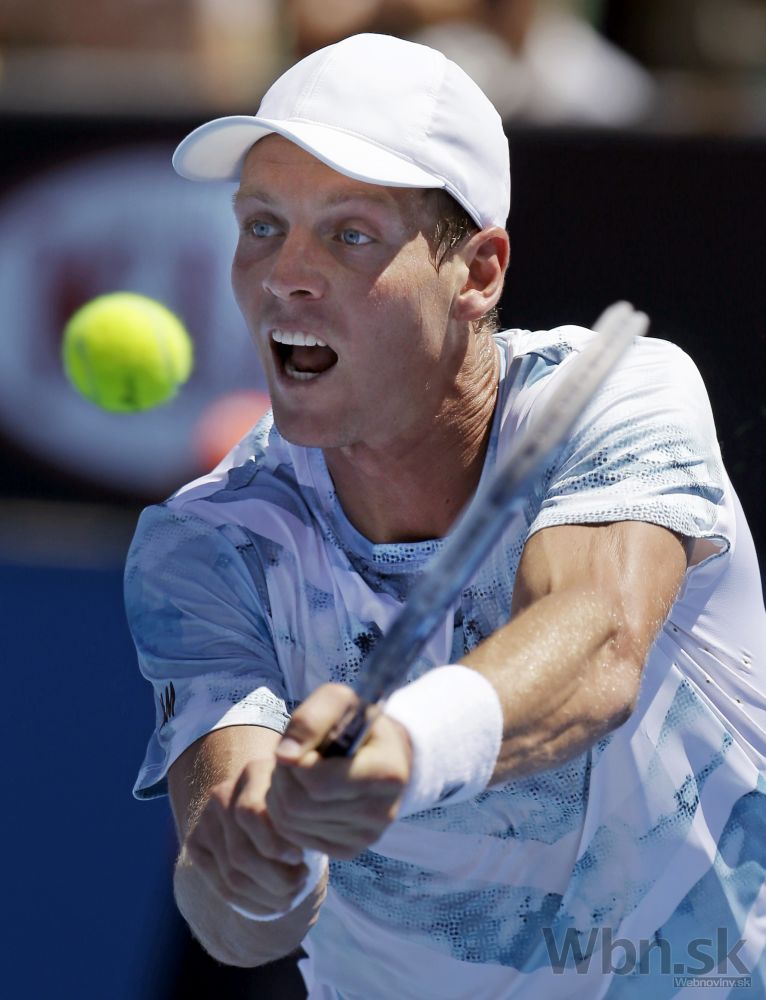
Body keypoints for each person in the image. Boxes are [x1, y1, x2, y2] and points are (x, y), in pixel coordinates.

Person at [125, 32, 766, 998]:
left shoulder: (612, 393)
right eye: (262, 225)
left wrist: (402, 750)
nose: (285, 275)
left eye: (349, 234)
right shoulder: (207, 541)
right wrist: (258, 868)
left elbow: (595, 643)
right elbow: (235, 917)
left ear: (478, 271)